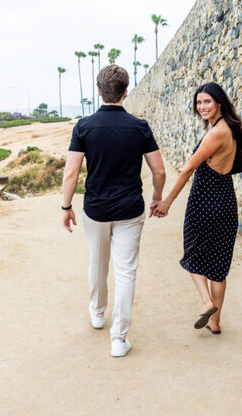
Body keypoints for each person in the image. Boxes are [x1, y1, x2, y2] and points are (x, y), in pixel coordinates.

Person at [62, 64, 166, 358]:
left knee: (97, 261)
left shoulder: (83, 127)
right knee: (125, 271)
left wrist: (66, 206)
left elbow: (71, 173)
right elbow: (158, 170)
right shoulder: (140, 127)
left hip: (95, 209)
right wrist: (157, 198)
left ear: (99, 91)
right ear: (125, 91)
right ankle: (118, 338)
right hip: (131, 209)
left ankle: (97, 313)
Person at [154, 82, 242, 335]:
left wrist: (167, 202)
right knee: (218, 266)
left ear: (219, 102)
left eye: (207, 101)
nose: (202, 106)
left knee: (192, 253)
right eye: (199, 102)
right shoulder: (230, 128)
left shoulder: (215, 133)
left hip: (205, 200)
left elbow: (187, 169)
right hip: (226, 200)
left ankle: (207, 303)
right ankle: (215, 323)